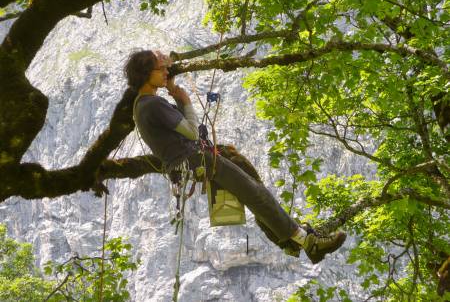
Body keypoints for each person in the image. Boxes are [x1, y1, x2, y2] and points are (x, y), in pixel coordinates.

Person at [125, 49, 346, 264]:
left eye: (166, 69)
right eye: (161, 69)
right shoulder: (153, 104)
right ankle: (308, 243)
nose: (166, 72)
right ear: (146, 73)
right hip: (196, 160)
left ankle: (289, 242)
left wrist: (173, 90)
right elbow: (192, 132)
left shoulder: (143, 104)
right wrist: (186, 100)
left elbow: (179, 129)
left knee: (252, 184)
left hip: (190, 162)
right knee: (253, 192)